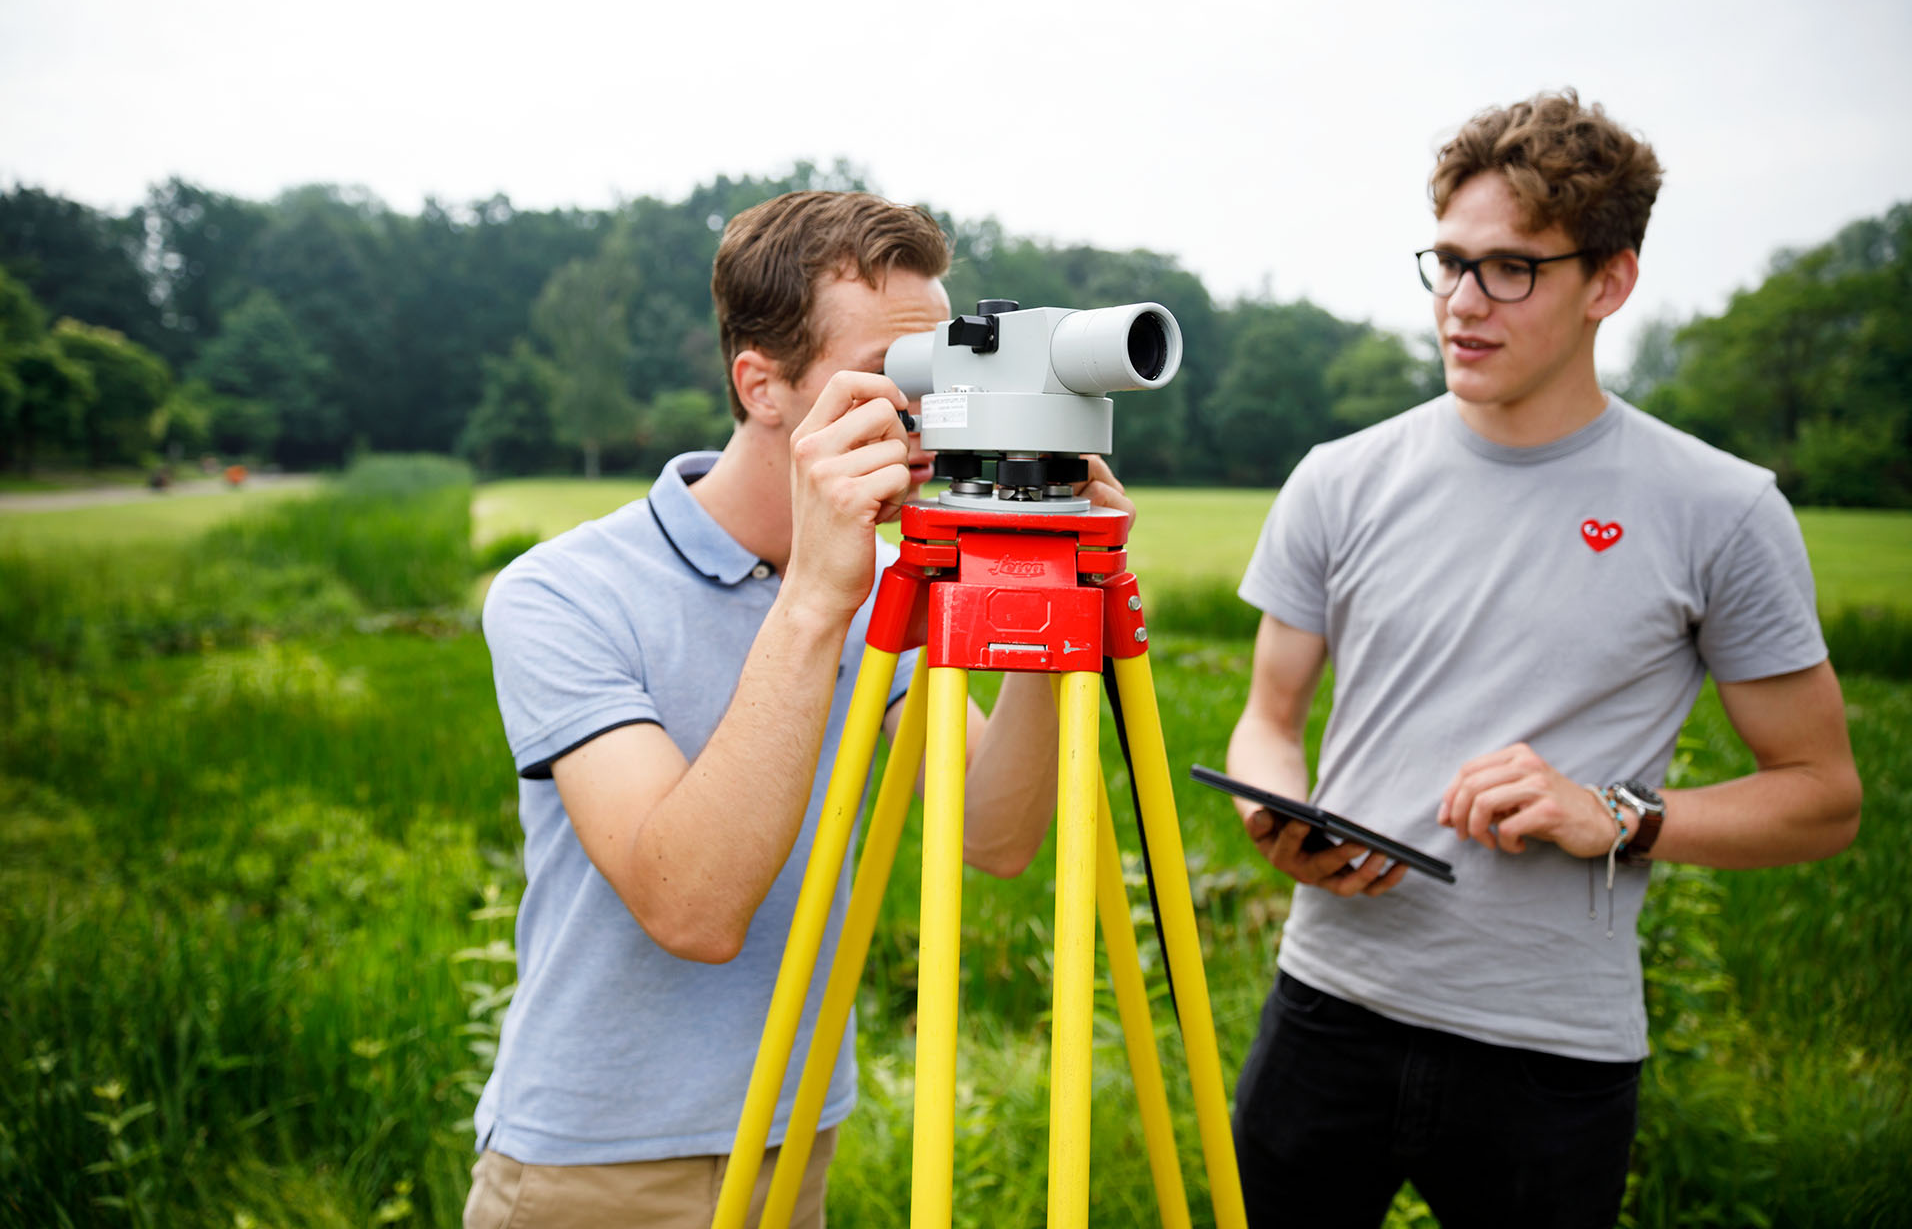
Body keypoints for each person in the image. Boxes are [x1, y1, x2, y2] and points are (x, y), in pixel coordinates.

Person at [1223, 90, 1862, 1228]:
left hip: (1548, 1060)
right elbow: (1272, 713)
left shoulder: (1722, 509)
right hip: (1326, 1008)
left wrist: (1618, 814)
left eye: (1510, 269)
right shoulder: (1338, 477)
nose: (1463, 305)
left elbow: (1822, 799)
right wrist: (1279, 809)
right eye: (1450, 262)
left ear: (1607, 282)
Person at [462, 190, 1130, 1229]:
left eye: (946, 367)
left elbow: (995, 834)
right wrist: (817, 594)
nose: (927, 412)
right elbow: (692, 906)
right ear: (761, 384)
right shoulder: (563, 592)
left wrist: (1048, 584)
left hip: (796, 1137)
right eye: (895, 378)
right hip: (595, 1164)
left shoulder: (881, 581)